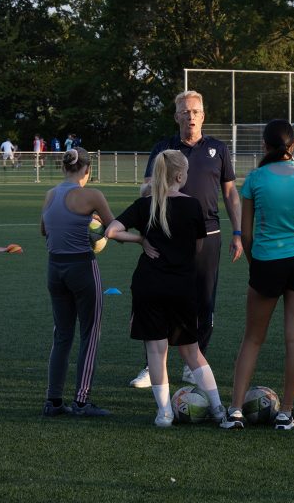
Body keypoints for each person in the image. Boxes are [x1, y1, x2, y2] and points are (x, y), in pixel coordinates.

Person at [128, 90, 243, 389]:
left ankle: (196, 364)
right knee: (160, 298)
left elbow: (230, 193)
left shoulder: (218, 149)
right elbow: (145, 188)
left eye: (196, 111)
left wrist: (238, 233)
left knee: (203, 301)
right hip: (167, 236)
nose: (190, 116)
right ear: (176, 116)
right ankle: (153, 366)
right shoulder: (163, 148)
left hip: (208, 236)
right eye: (185, 111)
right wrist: (156, 188)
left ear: (204, 115)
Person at [106, 150, 226, 427]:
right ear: (181, 176)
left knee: (156, 351)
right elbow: (197, 247)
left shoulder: (144, 204)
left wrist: (140, 240)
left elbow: (111, 231)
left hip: (149, 284)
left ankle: (165, 413)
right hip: (182, 286)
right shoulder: (193, 206)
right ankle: (219, 408)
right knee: (192, 352)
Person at [221, 120, 294, 431]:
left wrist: (257, 265)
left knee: (252, 338)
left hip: (266, 261)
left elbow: (247, 234)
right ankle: (286, 413)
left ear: (264, 146)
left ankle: (236, 410)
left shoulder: (254, 179)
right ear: (293, 146)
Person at [41, 147, 115, 418]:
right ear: (88, 170)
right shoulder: (92, 195)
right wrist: (143, 240)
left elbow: (43, 230)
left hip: (54, 269)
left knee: (61, 335)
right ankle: (82, 401)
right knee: (90, 333)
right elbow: (114, 229)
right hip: (82, 268)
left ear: (63, 168)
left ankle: (53, 401)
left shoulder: (50, 194)